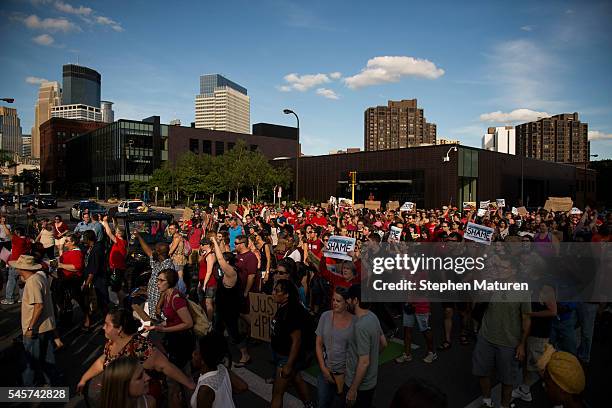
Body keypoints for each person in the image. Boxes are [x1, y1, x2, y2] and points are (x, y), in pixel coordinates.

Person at [77, 308, 195, 401]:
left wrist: (189, 384)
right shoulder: (112, 342)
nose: (103, 327)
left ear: (119, 329)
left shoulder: (139, 347)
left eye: (107, 325)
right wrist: (84, 379)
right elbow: (103, 361)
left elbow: (165, 366)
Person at [145, 268, 194, 407]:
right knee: (177, 377)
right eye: (157, 280)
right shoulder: (166, 296)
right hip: (174, 339)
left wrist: (163, 328)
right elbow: (173, 319)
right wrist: (158, 326)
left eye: (161, 280)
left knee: (177, 378)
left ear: (170, 282)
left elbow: (188, 322)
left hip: (182, 341)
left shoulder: (176, 298)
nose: (157, 283)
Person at [11, 254, 59, 386]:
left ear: (22, 269)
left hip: (35, 329)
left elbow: (38, 306)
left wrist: (30, 328)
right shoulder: (40, 277)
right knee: (47, 359)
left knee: (30, 362)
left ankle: (28, 388)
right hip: (46, 326)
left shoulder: (32, 282)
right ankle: (52, 385)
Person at [269, 279, 313, 408]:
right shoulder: (284, 307)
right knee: (297, 379)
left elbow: (296, 340)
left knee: (277, 393)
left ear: (286, 294)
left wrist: (288, 364)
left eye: (277, 291)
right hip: (282, 355)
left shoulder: (292, 311)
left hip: (286, 358)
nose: (273, 293)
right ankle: (309, 404)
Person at [345, 284, 387, 408]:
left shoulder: (360, 326)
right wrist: (372, 357)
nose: (347, 301)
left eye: (349, 298)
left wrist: (353, 390)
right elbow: (384, 343)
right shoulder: (372, 316)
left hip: (359, 385)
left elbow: (364, 362)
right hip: (371, 382)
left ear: (356, 300)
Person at [210, 236, 250, 367]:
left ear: (228, 263)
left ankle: (245, 355)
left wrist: (215, 241)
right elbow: (222, 256)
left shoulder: (231, 273)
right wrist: (220, 242)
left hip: (229, 310)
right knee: (217, 331)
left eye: (224, 262)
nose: (220, 264)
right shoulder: (227, 272)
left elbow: (220, 258)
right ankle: (220, 354)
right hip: (222, 308)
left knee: (234, 334)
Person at [315, 286, 355, 408]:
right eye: (333, 300)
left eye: (338, 301)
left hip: (345, 375)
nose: (334, 303)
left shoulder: (355, 321)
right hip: (325, 371)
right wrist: (323, 369)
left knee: (340, 404)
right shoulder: (325, 316)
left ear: (346, 302)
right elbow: (318, 344)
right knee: (322, 403)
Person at [190, 332, 249, 408]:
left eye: (196, 353)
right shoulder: (221, 368)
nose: (192, 354)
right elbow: (243, 387)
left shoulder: (205, 389)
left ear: (203, 361)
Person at [136, 233, 174, 319]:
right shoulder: (158, 262)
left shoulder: (168, 266)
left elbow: (166, 289)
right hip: (153, 304)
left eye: (155, 250)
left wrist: (158, 307)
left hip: (161, 310)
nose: (153, 251)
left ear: (159, 253)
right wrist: (139, 237)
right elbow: (148, 251)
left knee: (162, 327)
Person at [82, 229, 109, 327]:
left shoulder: (96, 250)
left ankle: (106, 322)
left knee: (102, 301)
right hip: (97, 278)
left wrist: (86, 284)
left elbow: (93, 270)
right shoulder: (95, 246)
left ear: (88, 239)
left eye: (84, 238)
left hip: (99, 279)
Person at [57, 233, 85, 326]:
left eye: (67, 241)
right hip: (65, 280)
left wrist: (60, 265)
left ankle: (71, 320)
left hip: (71, 281)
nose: (65, 243)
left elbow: (77, 267)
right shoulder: (69, 251)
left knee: (73, 300)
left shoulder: (77, 253)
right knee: (65, 301)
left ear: (73, 242)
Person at [101, 215, 128, 305]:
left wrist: (105, 222)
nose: (115, 232)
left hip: (117, 268)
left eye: (116, 232)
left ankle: (121, 304)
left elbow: (109, 233)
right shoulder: (123, 241)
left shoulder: (119, 242)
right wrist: (113, 220)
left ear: (118, 234)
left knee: (117, 287)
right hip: (117, 267)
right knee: (117, 286)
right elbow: (116, 228)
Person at [2, 226, 31, 305]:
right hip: (24, 263)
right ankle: (22, 298)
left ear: (18, 233)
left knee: (11, 281)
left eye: (15, 232)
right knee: (21, 281)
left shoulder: (18, 240)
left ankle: (9, 298)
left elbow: (8, 234)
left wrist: (3, 224)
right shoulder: (27, 240)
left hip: (15, 263)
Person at [167, 221, 187, 293]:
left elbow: (171, 251)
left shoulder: (177, 238)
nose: (170, 230)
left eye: (172, 229)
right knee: (179, 277)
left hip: (177, 260)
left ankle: (181, 292)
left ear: (177, 229)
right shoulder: (177, 237)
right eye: (169, 229)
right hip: (179, 259)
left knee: (178, 278)